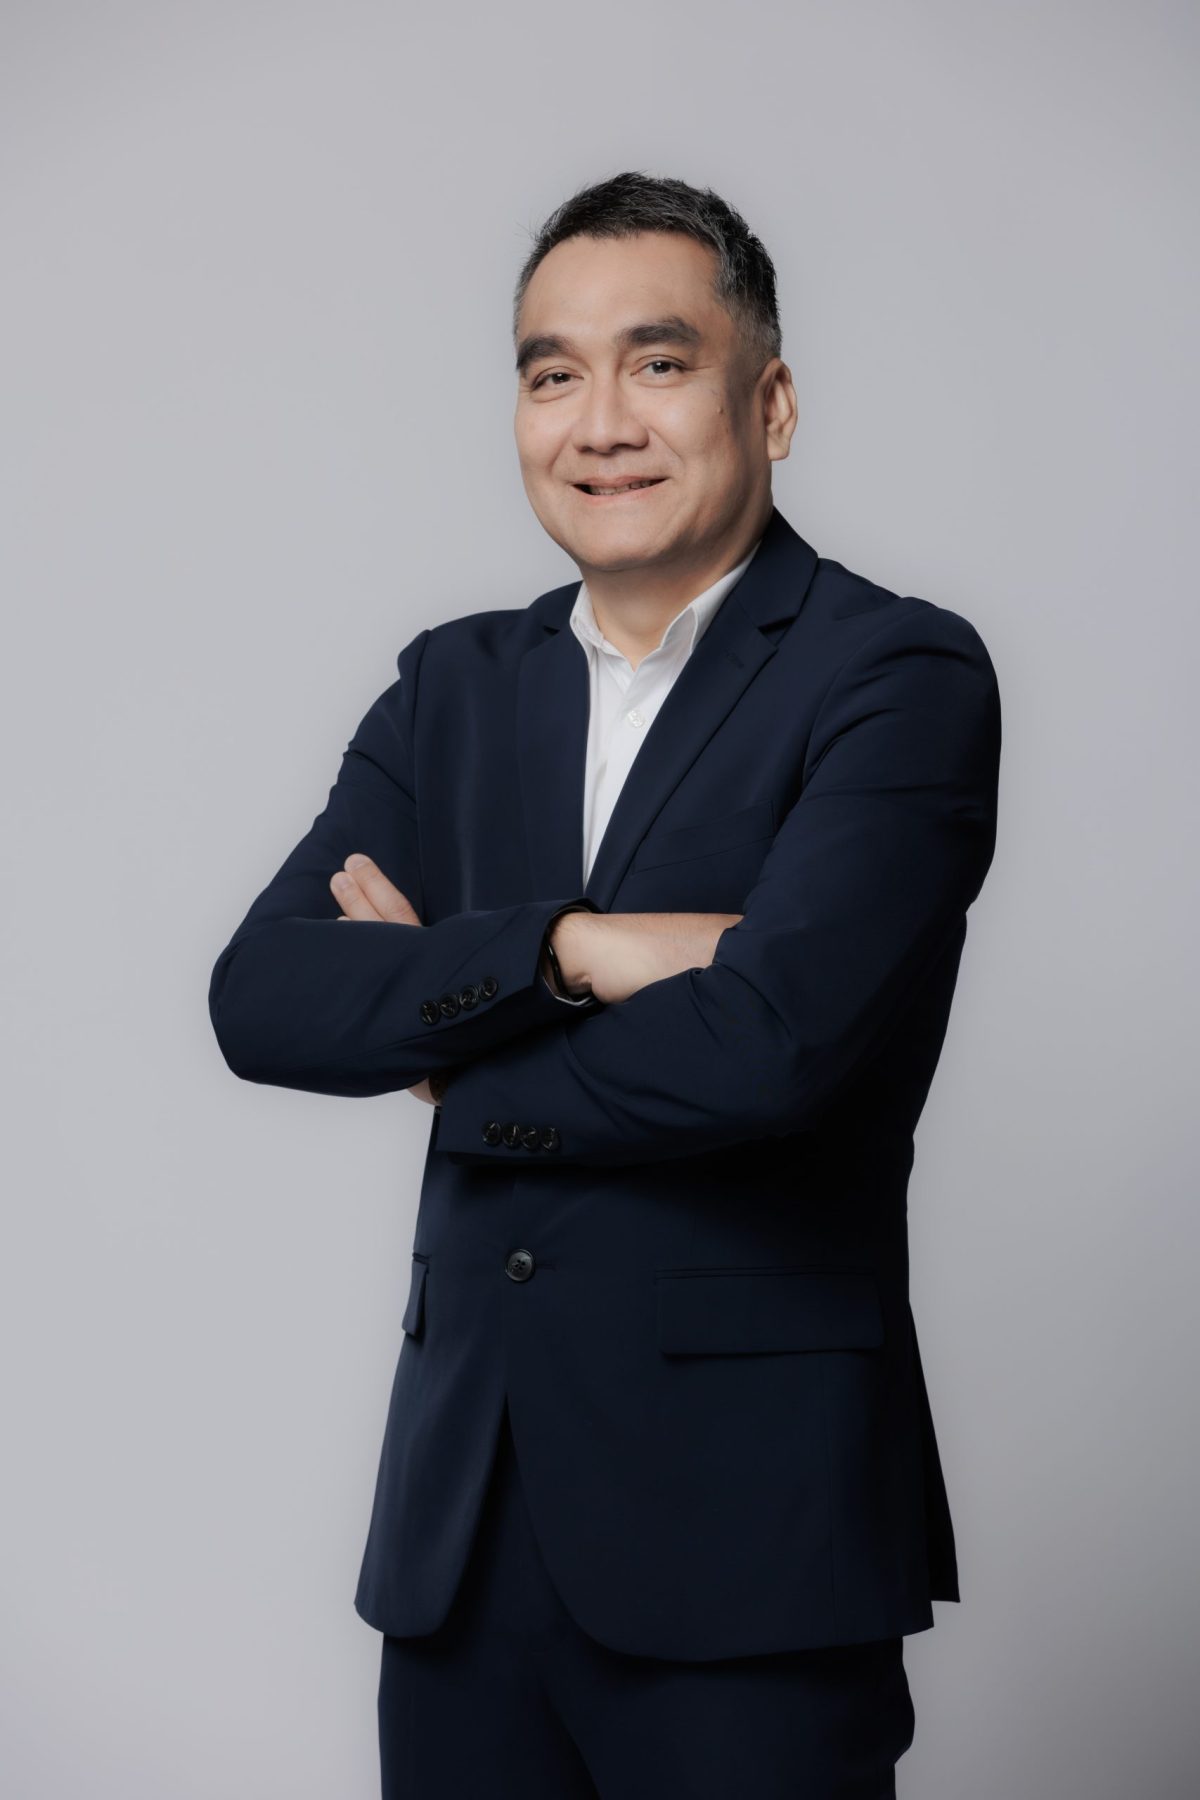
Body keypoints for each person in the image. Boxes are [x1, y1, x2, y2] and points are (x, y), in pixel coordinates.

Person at [208, 169, 1002, 1798]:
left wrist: (444, 1035)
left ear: (769, 404)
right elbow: (263, 997)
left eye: (658, 361)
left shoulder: (895, 673)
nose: (601, 422)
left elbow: (771, 1045)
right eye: (552, 373)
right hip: (462, 1535)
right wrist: (572, 950)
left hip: (749, 1539)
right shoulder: (451, 686)